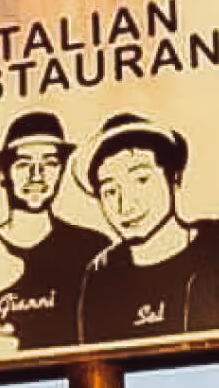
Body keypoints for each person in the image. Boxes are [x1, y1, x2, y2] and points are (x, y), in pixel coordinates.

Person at [0, 111, 108, 359]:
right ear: (2, 174)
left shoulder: (93, 248)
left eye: (50, 163)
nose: (37, 175)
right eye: (23, 164)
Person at [74, 113, 219, 344]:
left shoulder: (213, 247)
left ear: (174, 177)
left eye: (141, 180)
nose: (126, 204)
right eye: (110, 191)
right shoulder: (102, 277)